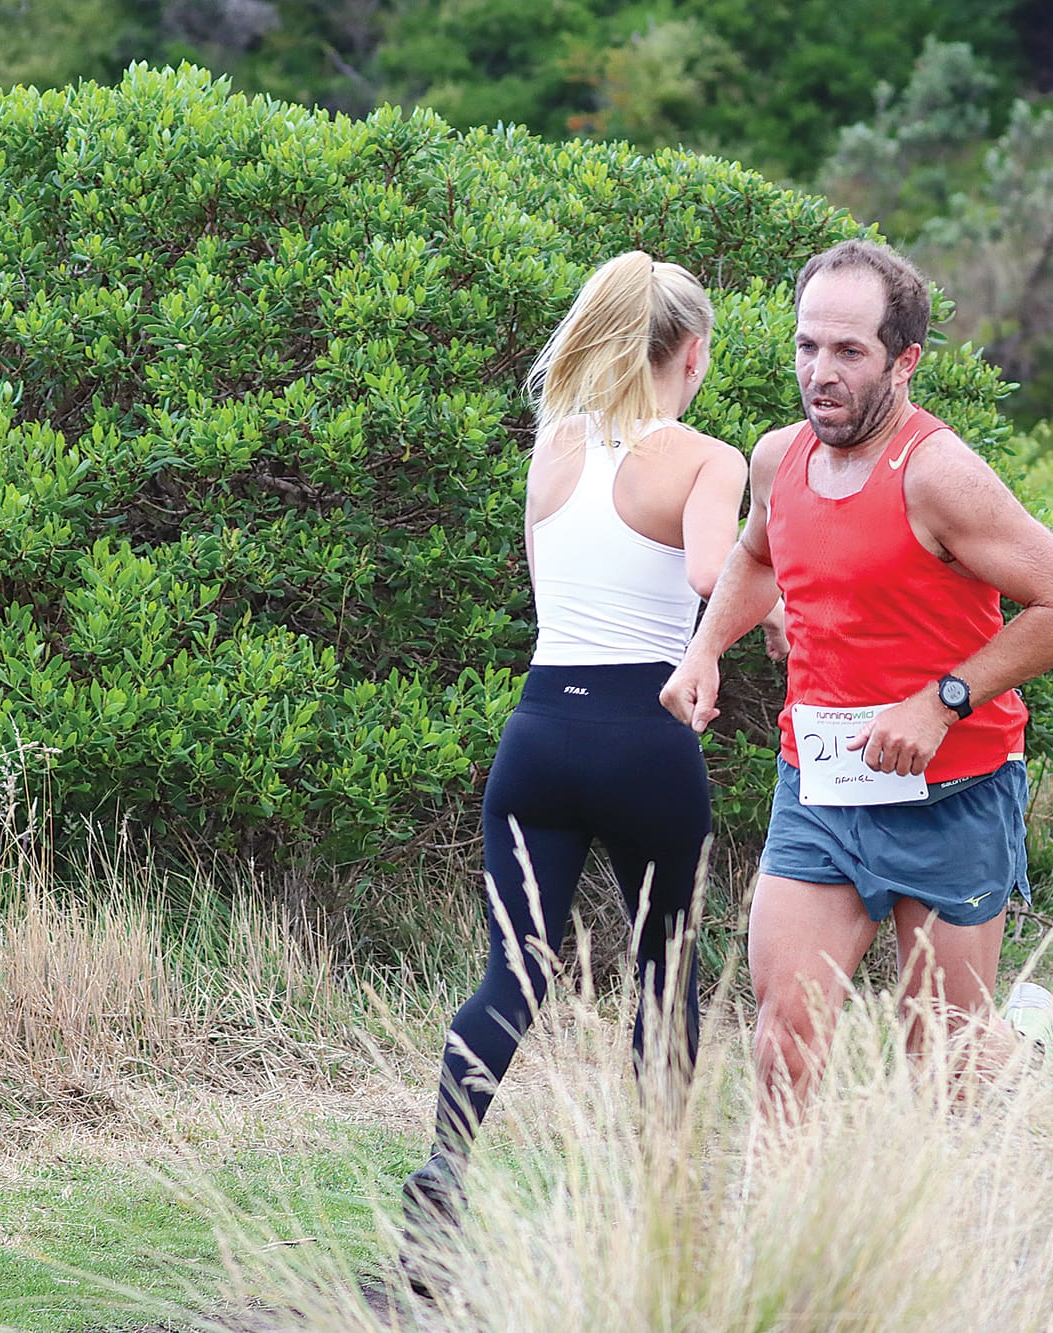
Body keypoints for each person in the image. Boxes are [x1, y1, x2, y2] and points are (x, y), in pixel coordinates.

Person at [660, 239, 1053, 1110]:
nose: (819, 372)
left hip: (954, 789)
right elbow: (756, 555)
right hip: (821, 785)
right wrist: (705, 648)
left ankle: (1024, 1045)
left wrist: (941, 702)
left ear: (904, 361)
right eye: (806, 346)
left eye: (848, 351)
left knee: (947, 1066)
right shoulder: (777, 457)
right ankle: (792, 1204)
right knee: (785, 1039)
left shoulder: (940, 475)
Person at [402, 251, 746, 1244]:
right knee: (664, 974)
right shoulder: (707, 459)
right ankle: (667, 1206)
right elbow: (711, 574)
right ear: (691, 352)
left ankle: (443, 1169)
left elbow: (549, 585)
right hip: (645, 735)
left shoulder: (552, 445)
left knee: (511, 973)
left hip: (540, 732)